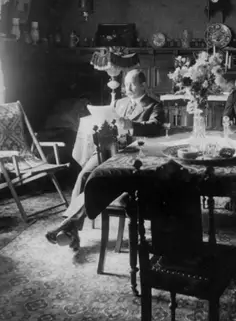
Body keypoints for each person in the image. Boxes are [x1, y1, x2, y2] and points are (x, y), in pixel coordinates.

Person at [45, 69, 165, 250]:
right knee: (84, 175)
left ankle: (68, 227)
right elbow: (108, 122)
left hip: (129, 155)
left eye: (132, 84)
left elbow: (156, 127)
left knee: (98, 181)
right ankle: (71, 228)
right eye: (125, 84)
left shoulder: (154, 105)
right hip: (107, 149)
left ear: (143, 85)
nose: (127, 88)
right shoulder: (119, 103)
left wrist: (132, 125)